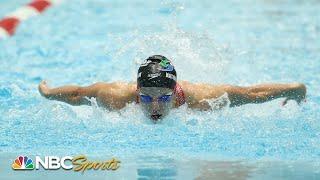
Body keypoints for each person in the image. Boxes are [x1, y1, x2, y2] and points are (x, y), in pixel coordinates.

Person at [38, 55, 306, 122]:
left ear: (175, 92)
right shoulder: (115, 96)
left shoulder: (201, 99)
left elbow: (251, 95)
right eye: (146, 97)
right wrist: (49, 93)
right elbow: (78, 94)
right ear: (136, 90)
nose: (155, 107)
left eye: (163, 98)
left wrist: (292, 89)